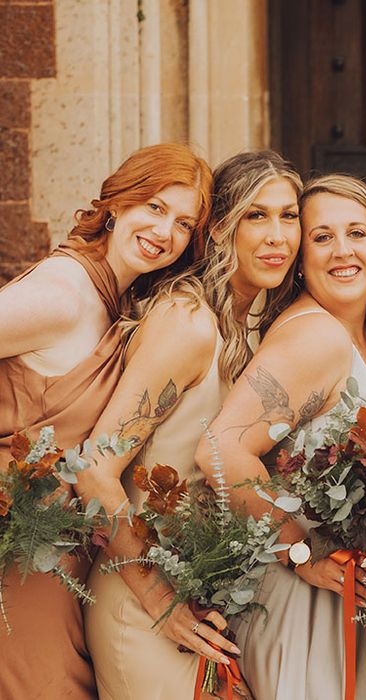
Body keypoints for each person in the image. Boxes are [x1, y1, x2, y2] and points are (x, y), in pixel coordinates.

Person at [77, 150, 302, 700]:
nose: (278, 236)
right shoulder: (189, 322)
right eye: (257, 216)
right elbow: (92, 471)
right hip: (143, 605)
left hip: (206, 600)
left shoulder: (258, 323)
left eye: (289, 216)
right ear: (221, 228)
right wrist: (159, 600)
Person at [196, 174, 366, 700]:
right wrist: (300, 553)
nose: (342, 251)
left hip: (363, 604)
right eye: (321, 237)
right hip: (306, 604)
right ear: (300, 258)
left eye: (357, 233)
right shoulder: (315, 336)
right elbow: (220, 449)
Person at [0, 143, 211, 698]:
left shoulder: (116, 298)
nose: (166, 232)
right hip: (16, 560)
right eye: (155, 207)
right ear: (116, 202)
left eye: (185, 223)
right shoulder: (64, 296)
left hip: (53, 559)